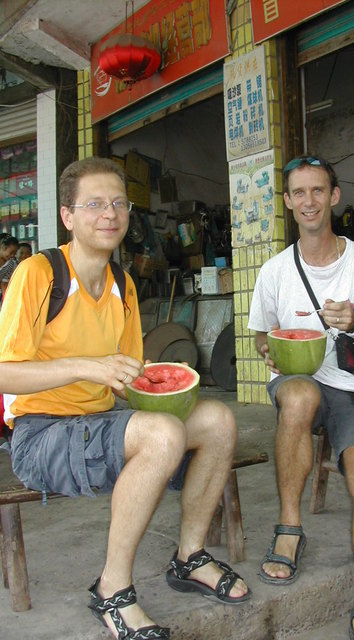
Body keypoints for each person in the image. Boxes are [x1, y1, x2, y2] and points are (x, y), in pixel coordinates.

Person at [0, 157, 250, 640]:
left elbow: (128, 381)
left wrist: (169, 387)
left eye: (118, 203)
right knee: (160, 435)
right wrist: (88, 366)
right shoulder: (39, 274)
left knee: (217, 419)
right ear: (68, 216)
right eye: (94, 204)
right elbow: (5, 374)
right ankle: (112, 588)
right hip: (41, 434)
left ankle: (189, 556)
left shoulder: (122, 284)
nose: (109, 214)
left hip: (99, 421)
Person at [248, 155, 354, 640]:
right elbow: (260, 334)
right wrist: (272, 350)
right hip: (302, 380)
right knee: (297, 397)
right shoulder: (276, 270)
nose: (309, 201)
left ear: (334, 196)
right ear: (288, 203)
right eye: (299, 193)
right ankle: (289, 529)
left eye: (318, 191)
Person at [0, 233, 20, 300]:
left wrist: (6, 301)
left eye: (15, 253)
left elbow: (4, 284)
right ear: (3, 248)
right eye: (11, 252)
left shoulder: (11, 264)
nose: (12, 255)